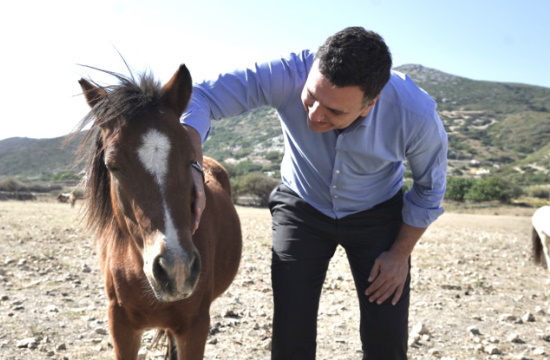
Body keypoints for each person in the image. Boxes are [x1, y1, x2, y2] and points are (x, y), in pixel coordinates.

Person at [182, 26, 448, 360]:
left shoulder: (416, 114)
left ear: (370, 104)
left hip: (377, 213)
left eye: (335, 111)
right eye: (310, 97)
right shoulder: (287, 73)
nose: (314, 115)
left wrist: (399, 254)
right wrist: (191, 145)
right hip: (301, 207)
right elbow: (200, 95)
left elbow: (429, 189)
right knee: (291, 329)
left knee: (387, 336)